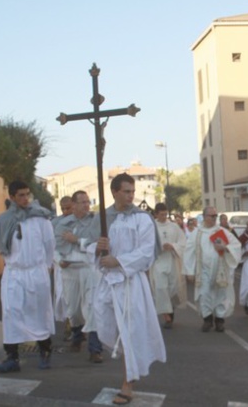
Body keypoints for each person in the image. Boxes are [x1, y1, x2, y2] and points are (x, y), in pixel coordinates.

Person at [90, 173, 166, 405]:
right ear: (114, 192)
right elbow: (90, 245)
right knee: (107, 326)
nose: (131, 196)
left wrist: (119, 262)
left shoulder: (141, 219)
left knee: (130, 332)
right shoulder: (103, 218)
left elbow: (146, 252)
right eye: (126, 191)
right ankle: (130, 365)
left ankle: (128, 382)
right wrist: (97, 248)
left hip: (131, 284)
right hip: (107, 283)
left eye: (133, 191)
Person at [0, 180, 56, 372]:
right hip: (14, 272)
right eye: (20, 195)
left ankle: (44, 350)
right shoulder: (3, 220)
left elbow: (49, 245)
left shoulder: (40, 218)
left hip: (36, 272)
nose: (25, 198)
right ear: (11, 197)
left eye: (27, 194)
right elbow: (2, 246)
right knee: (11, 312)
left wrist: (46, 267)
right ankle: (12, 357)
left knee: (38, 311)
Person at [54, 190, 103, 363]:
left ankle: (95, 349)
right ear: (73, 205)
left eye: (88, 202)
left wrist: (76, 240)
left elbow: (97, 244)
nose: (87, 205)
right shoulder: (61, 224)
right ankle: (77, 335)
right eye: (82, 202)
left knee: (91, 307)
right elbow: (54, 246)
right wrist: (59, 260)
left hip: (89, 269)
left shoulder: (95, 222)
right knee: (73, 309)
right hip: (69, 271)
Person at [184, 207, 242, 332]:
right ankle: (207, 319)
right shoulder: (197, 233)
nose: (214, 218)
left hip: (220, 270)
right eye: (211, 216)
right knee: (204, 294)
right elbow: (189, 251)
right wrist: (189, 271)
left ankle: (220, 320)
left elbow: (236, 245)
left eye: (215, 216)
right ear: (204, 217)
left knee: (221, 295)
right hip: (203, 270)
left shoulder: (221, 231)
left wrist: (225, 247)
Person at [150, 203, 187, 329]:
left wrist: (173, 246)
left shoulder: (174, 227)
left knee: (173, 288)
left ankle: (170, 310)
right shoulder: (151, 227)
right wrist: (158, 248)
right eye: (161, 214)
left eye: (166, 214)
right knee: (161, 288)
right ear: (156, 214)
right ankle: (167, 316)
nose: (164, 217)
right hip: (158, 261)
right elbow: (146, 243)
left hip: (171, 260)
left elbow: (182, 242)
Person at [51, 196, 73, 341]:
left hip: (79, 266)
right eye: (63, 208)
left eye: (68, 208)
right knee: (64, 297)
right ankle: (69, 325)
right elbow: (50, 246)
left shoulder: (82, 222)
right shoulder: (55, 224)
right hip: (61, 266)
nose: (65, 211)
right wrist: (58, 261)